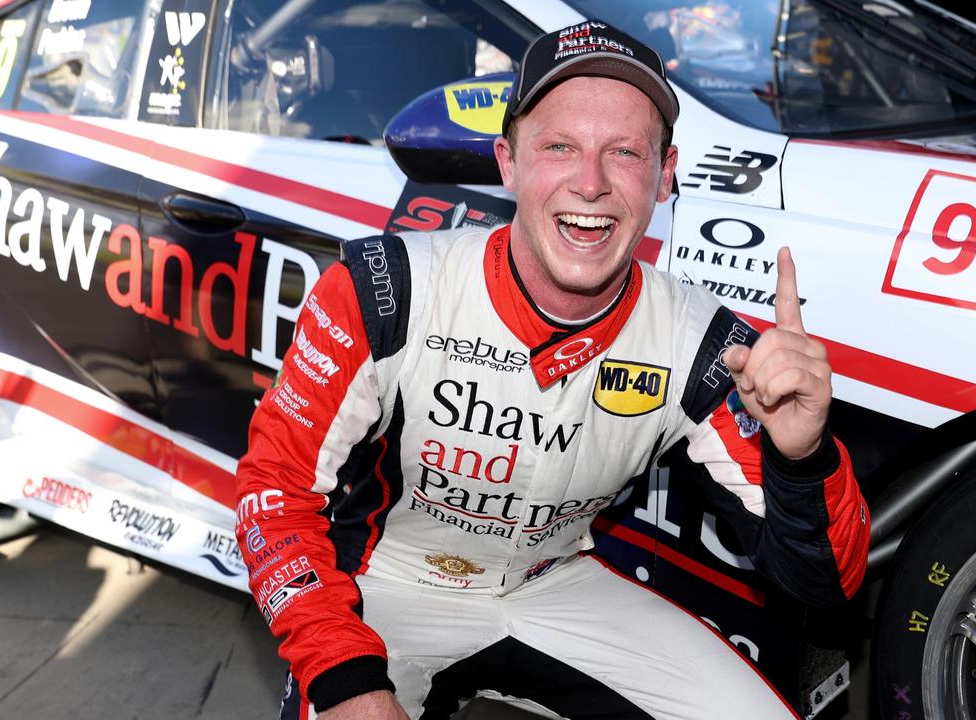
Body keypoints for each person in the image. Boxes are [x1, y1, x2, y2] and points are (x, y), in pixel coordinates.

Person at [236, 19, 869, 720]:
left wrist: (803, 457)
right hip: (388, 585)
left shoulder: (707, 344)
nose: (591, 183)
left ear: (664, 176)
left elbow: (825, 587)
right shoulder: (381, 289)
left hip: (554, 582)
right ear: (508, 162)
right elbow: (274, 499)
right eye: (560, 146)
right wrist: (344, 675)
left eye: (624, 152)